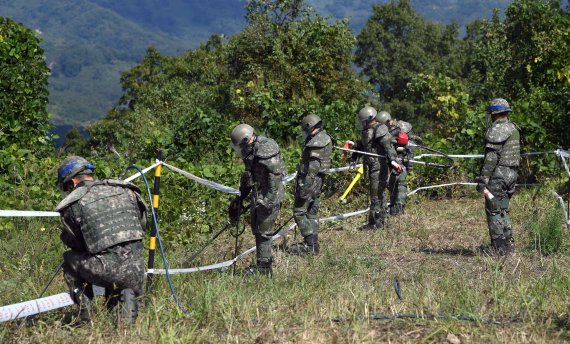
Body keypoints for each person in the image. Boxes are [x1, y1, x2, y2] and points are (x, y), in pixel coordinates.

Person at [55, 156, 147, 324]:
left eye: (67, 187)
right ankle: (125, 310)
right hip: (138, 271)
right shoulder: (128, 191)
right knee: (117, 262)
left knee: (70, 259)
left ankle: (84, 318)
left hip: (107, 270)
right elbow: (142, 227)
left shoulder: (73, 204)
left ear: (72, 182)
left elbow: (78, 245)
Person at [229, 124, 286, 275]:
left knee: (264, 231)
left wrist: (267, 201)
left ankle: (264, 269)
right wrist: (240, 198)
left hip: (269, 196)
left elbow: (275, 178)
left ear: (248, 139)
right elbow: (249, 176)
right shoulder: (250, 150)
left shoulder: (267, 148)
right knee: (258, 229)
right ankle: (263, 264)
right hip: (259, 194)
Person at [475, 98, 521, 255]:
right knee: (503, 209)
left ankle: (498, 247)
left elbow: (491, 159)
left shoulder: (497, 130)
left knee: (493, 209)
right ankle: (507, 244)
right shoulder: (513, 128)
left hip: (499, 175)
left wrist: (483, 179)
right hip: (512, 174)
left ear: (494, 114)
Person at [348, 106, 400, 229]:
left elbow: (388, 146)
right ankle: (379, 221)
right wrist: (354, 146)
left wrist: (393, 160)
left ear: (370, 119)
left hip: (379, 166)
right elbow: (365, 147)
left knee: (376, 194)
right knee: (376, 194)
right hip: (370, 165)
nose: (362, 124)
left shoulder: (380, 129)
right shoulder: (366, 131)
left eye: (363, 121)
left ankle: (376, 223)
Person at [288, 114, 332, 255]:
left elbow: (313, 167)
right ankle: (313, 245)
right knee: (312, 211)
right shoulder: (325, 137)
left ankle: (309, 243)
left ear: (310, 127)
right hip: (319, 181)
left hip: (310, 180)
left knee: (299, 211)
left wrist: (305, 186)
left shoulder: (316, 142)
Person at [376, 111, 421, 215]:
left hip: (402, 158)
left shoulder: (403, 126)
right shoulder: (383, 130)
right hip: (389, 159)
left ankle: (399, 208)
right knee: (390, 183)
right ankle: (391, 206)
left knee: (401, 183)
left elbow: (412, 144)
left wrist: (408, 161)